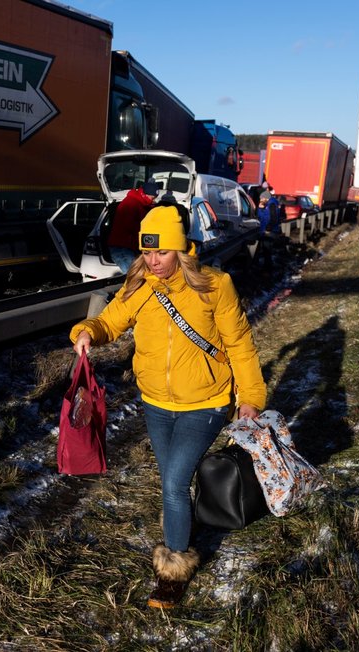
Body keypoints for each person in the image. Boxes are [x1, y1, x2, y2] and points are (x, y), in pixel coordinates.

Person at [70, 205, 267, 609]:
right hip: (156, 403)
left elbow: (240, 345)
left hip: (207, 402)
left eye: (161, 252)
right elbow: (110, 322)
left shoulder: (215, 285)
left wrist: (249, 398)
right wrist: (88, 331)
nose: (153, 261)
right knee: (174, 480)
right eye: (146, 252)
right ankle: (184, 528)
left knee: (175, 483)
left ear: (180, 248)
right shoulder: (140, 287)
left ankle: (172, 571)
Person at [107, 180, 159, 273]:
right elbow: (134, 228)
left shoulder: (141, 204)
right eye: (152, 197)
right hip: (122, 248)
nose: (153, 200)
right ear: (144, 194)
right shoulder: (131, 204)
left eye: (154, 198)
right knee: (134, 278)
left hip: (129, 247)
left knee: (137, 277)